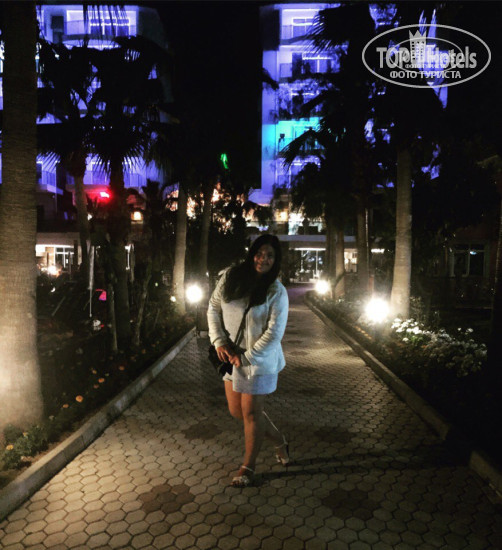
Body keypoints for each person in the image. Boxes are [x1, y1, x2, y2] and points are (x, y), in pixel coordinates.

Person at [207, 234, 290, 487]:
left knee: (252, 413)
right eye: (260, 253)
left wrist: (247, 357)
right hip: (230, 355)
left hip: (258, 361)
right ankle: (280, 441)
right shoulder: (230, 277)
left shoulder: (276, 291)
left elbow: (274, 333)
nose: (263, 259)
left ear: (276, 260)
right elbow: (213, 308)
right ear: (252, 253)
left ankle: (248, 467)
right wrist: (218, 340)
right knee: (237, 411)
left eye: (270, 256)